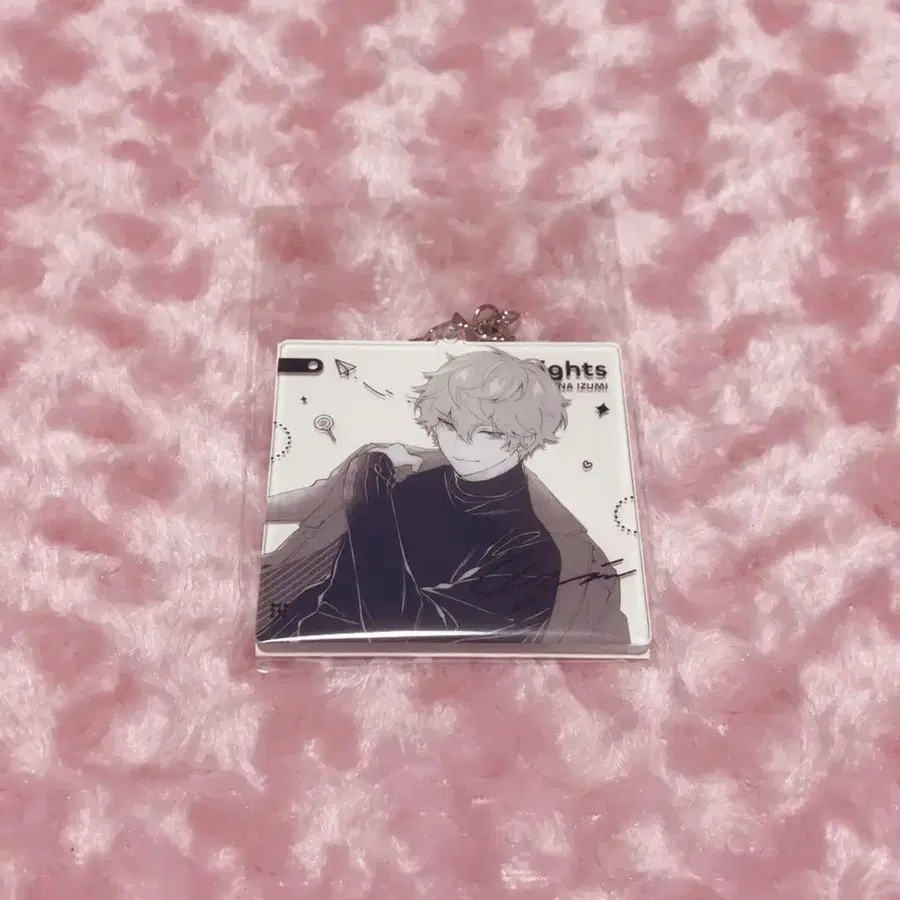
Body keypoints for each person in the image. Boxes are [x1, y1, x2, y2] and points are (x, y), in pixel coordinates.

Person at [257, 349, 628, 645]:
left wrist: (368, 477)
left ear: (526, 438)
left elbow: (401, 623)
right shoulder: (415, 482)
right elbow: (337, 583)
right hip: (295, 630)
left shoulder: (532, 553)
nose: (462, 444)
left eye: (488, 432)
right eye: (450, 424)